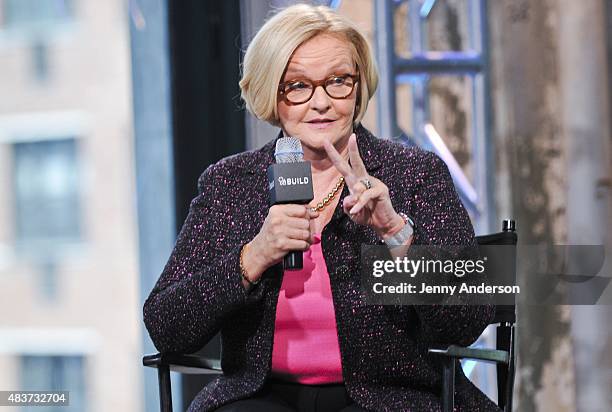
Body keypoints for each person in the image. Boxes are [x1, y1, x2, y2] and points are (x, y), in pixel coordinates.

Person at [144, 4, 499, 412]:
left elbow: (468, 321)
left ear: (358, 86)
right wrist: (253, 256)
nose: (321, 102)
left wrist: (397, 236)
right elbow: (165, 325)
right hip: (260, 395)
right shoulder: (230, 184)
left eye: (337, 82)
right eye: (298, 86)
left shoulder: (415, 174)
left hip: (390, 396)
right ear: (269, 92)